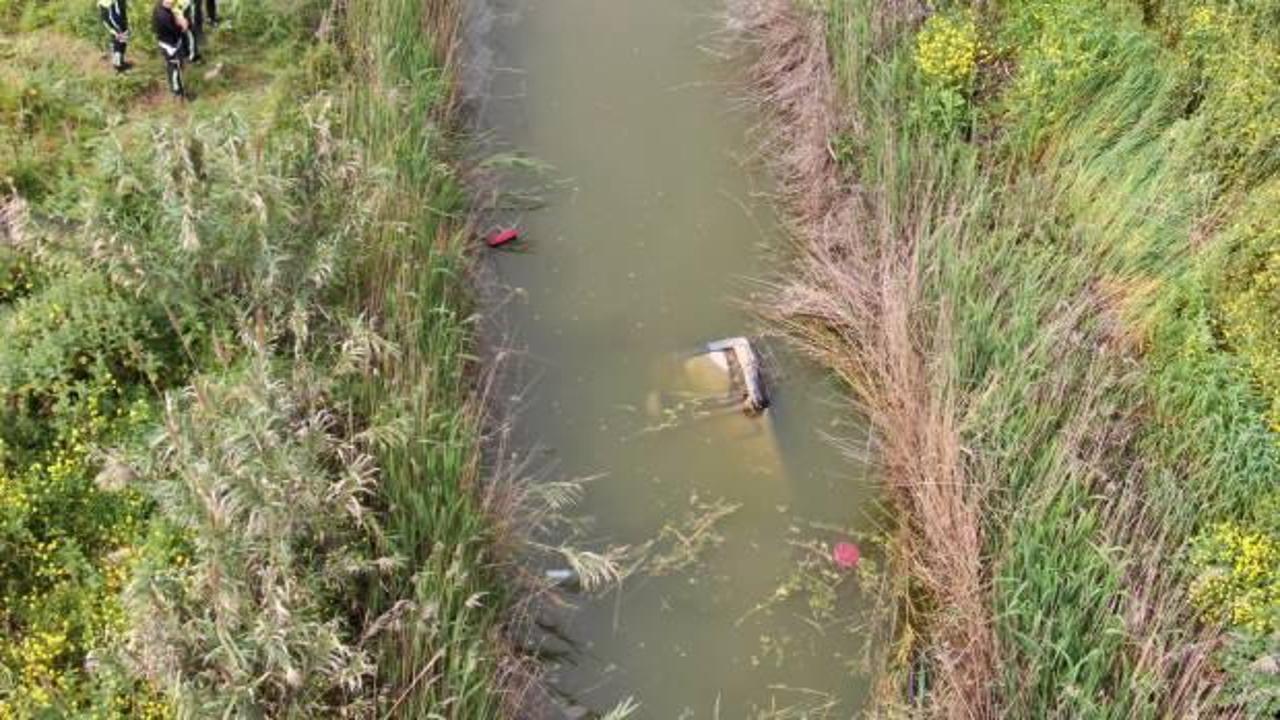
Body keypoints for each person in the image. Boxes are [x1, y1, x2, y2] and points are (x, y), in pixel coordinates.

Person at [152, 0, 191, 97]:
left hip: (172, 42)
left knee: (177, 65)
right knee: (174, 68)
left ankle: (178, 87)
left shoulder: (162, 6)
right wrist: (183, 26)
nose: (173, 3)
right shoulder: (163, 16)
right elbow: (175, 30)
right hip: (170, 45)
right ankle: (177, 92)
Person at [98, 0, 132, 72]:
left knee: (120, 37)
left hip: (109, 9)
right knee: (120, 37)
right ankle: (118, 64)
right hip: (111, 9)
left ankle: (118, 62)